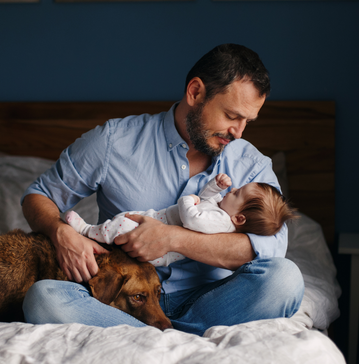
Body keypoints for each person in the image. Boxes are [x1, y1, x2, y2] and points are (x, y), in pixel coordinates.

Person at [20, 43, 304, 335]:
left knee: (285, 280)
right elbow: (38, 196)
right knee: (44, 299)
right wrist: (60, 233)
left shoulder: (251, 164)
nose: (239, 132)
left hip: (212, 301)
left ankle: (144, 339)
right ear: (195, 92)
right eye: (232, 116)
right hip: (120, 301)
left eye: (247, 121)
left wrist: (173, 239)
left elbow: (270, 250)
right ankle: (178, 341)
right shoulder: (112, 141)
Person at [64, 173, 297, 267]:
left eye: (236, 193)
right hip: (157, 221)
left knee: (122, 226)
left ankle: (86, 231)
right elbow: (207, 200)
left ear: (239, 217)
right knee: (123, 221)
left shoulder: (220, 222)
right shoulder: (222, 212)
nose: (233, 189)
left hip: (161, 246)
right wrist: (215, 187)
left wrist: (188, 199)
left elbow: (193, 218)